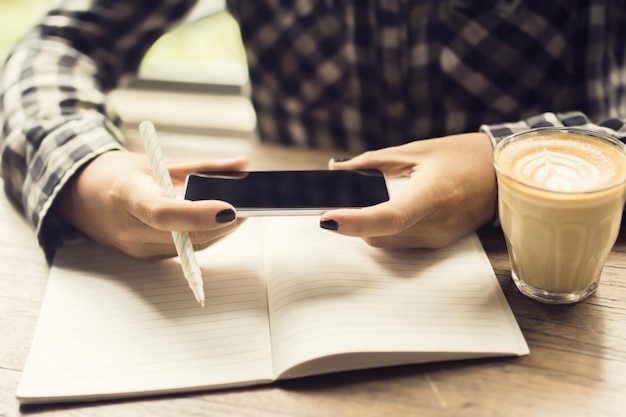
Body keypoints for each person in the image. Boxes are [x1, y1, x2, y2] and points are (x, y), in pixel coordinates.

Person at [1, 0, 625, 261]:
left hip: (540, 264)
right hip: (287, 254)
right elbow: (60, 43)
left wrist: (504, 166)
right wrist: (86, 168)